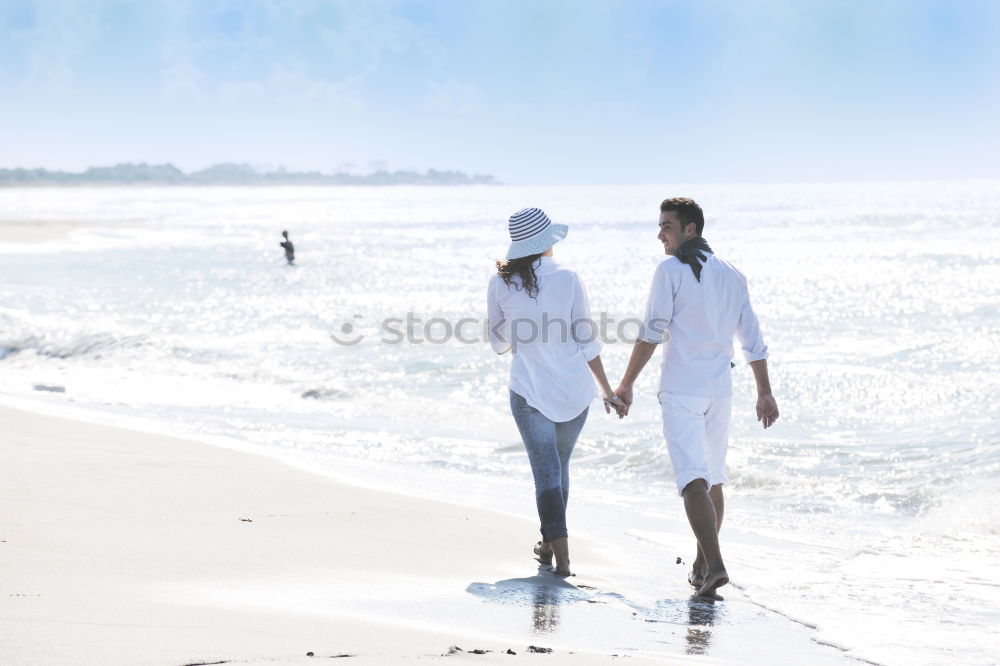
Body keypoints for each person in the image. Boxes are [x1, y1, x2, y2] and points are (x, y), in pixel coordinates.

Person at [613, 197, 779, 598]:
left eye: (666, 226)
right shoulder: (733, 274)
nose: (659, 235)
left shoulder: (669, 271)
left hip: (682, 390)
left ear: (690, 229)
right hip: (720, 390)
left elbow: (652, 332)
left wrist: (626, 383)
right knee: (714, 479)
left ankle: (716, 565)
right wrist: (764, 393)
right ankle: (702, 566)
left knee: (693, 479)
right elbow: (752, 342)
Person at [487, 207, 623, 577]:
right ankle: (549, 544)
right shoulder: (569, 277)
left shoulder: (501, 281)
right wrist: (608, 390)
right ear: (547, 242)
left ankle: (560, 558)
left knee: (546, 474)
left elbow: (497, 342)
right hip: (574, 393)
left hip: (529, 391)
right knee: (559, 470)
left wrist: (521, 329)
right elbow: (587, 340)